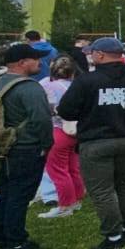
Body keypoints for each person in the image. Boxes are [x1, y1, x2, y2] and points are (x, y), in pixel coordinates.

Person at [58, 37, 125, 249]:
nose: (90, 56)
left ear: (100, 55)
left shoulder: (87, 81)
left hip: (96, 141)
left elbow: (66, 109)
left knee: (102, 191)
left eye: (92, 53)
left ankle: (113, 236)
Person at [0, 43, 55, 249]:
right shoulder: (29, 87)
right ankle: (17, 241)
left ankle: (0, 237)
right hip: (26, 147)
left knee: (5, 192)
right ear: (22, 62)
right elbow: (42, 119)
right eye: (35, 58)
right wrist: (47, 144)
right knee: (20, 195)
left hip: (1, 145)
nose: (40, 62)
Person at [39, 55, 85, 219]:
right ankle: (77, 198)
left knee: (58, 171)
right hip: (75, 130)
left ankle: (65, 205)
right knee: (73, 168)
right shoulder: (77, 86)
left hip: (56, 129)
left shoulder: (44, 84)